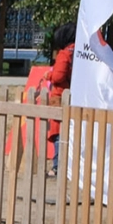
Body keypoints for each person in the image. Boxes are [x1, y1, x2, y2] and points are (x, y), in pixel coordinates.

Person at [46, 22, 75, 175]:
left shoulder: (65, 54)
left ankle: (57, 166)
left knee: (58, 134)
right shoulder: (80, 52)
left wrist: (49, 75)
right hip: (76, 97)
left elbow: (58, 76)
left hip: (61, 97)